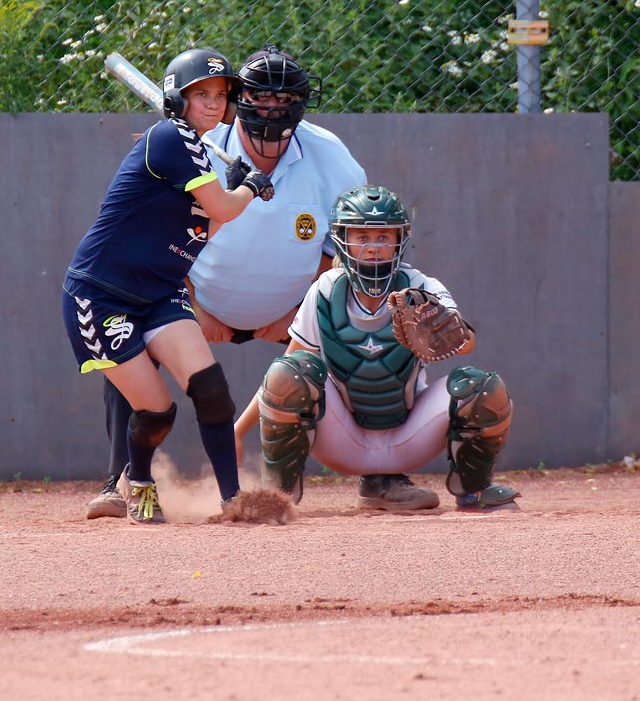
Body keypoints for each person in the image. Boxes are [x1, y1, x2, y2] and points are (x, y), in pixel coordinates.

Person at [86, 46, 366, 518]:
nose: (273, 114)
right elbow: (159, 237)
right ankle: (122, 480)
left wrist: (298, 320)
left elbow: (340, 253)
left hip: (290, 313)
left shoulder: (330, 156)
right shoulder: (190, 147)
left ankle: (380, 477)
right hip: (194, 301)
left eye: (285, 104)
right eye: (262, 102)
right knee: (129, 341)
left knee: (364, 320)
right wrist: (195, 308)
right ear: (240, 103)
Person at [62, 47, 275, 524]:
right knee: (157, 411)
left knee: (212, 389)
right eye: (201, 94)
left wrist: (236, 186)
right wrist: (249, 189)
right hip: (101, 294)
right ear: (178, 99)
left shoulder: (196, 154)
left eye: (221, 95)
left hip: (159, 292)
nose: (214, 104)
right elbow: (223, 209)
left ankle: (232, 501)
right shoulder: (170, 135)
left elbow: (207, 227)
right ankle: (137, 479)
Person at [232, 184, 520, 513]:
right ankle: (276, 498)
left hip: (408, 435)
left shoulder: (421, 286)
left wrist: (449, 332)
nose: (373, 248)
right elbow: (285, 367)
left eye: (383, 238)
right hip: (342, 440)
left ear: (399, 241)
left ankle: (473, 490)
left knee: (482, 388)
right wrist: (238, 431)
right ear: (343, 239)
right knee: (289, 373)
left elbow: (467, 344)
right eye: (362, 237)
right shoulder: (325, 290)